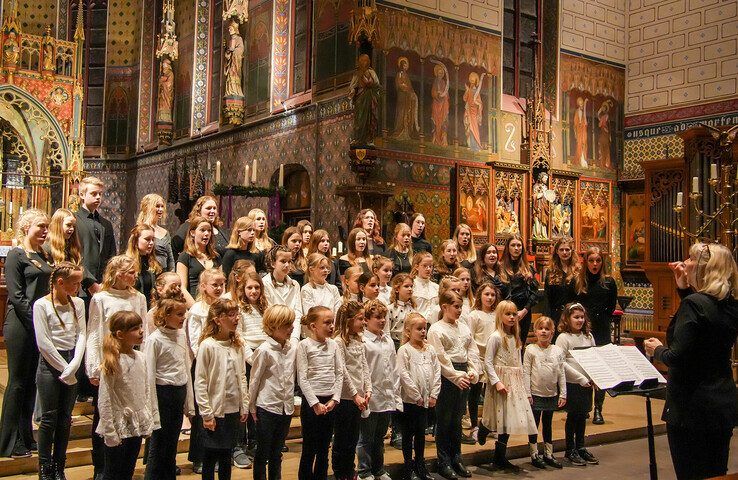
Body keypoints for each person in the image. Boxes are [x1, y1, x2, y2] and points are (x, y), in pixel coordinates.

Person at [644, 243, 738, 480]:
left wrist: (657, 350)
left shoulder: (694, 304)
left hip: (691, 407)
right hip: (720, 404)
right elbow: (705, 327)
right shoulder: (730, 304)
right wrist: (684, 289)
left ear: (706, 268)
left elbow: (677, 357)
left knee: (691, 474)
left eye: (691, 258)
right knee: (716, 473)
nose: (685, 262)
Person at [85, 255, 148, 477]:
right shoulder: (101, 298)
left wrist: (143, 360)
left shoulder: (138, 297)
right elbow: (94, 332)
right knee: (103, 414)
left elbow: (144, 331)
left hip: (132, 360)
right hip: (109, 360)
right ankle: (101, 467)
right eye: (131, 272)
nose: (135, 276)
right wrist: (93, 365)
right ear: (118, 274)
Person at [0, 209, 53, 458]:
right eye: (40, 226)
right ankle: (9, 441)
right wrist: (36, 322)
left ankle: (25, 434)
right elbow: (17, 297)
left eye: (46, 227)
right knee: (18, 383)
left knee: (31, 383)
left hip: (39, 324)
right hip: (21, 324)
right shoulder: (16, 255)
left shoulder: (44, 255)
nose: (44, 231)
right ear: (26, 227)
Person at [33, 262, 87, 479]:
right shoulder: (41, 305)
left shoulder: (78, 304)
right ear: (60, 282)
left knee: (65, 418)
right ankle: (45, 466)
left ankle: (59, 465)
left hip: (71, 360)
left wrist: (74, 365)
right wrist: (64, 368)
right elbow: (43, 342)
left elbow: (82, 334)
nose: (79, 288)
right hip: (50, 364)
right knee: (49, 418)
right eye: (75, 283)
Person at [96, 311, 160, 480]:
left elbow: (146, 390)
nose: (141, 331)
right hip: (118, 426)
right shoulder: (112, 361)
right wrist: (110, 431)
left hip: (136, 425)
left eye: (140, 326)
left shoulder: (141, 357)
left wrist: (148, 419)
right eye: (134, 328)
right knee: (112, 472)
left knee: (128, 470)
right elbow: (104, 399)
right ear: (120, 334)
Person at [476, 300, 538, 471]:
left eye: (514, 314)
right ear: (500, 316)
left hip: (514, 381)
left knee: (509, 419)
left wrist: (524, 387)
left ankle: (499, 457)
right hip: (500, 380)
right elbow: (488, 363)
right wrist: (497, 382)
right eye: (508, 314)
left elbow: (518, 362)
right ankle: (485, 426)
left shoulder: (516, 337)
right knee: (497, 415)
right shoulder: (495, 337)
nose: (512, 317)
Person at [194, 299, 250, 480]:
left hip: (233, 409)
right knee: (210, 456)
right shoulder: (208, 345)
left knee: (227, 455)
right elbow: (201, 381)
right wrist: (207, 413)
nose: (236, 319)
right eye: (231, 315)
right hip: (215, 411)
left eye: (237, 314)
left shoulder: (237, 345)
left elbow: (242, 376)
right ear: (218, 320)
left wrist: (244, 405)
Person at [427, 291, 480, 479]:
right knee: (444, 420)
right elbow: (440, 358)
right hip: (447, 376)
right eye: (456, 307)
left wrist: (473, 370)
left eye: (461, 306)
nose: (459, 310)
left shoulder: (464, 327)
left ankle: (457, 458)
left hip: (463, 372)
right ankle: (444, 461)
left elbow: (471, 351)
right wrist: (455, 376)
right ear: (444, 307)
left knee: (457, 419)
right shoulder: (436, 329)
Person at [144, 297, 194, 480]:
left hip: (178, 393)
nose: (184, 317)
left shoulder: (180, 335)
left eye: (184, 313)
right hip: (162, 394)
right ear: (165, 315)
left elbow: (185, 369)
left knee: (171, 446)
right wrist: (153, 410)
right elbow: (149, 376)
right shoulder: (154, 340)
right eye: (179, 314)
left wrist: (190, 403)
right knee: (158, 447)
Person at [248, 305, 297, 480]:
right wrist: (251, 407)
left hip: (285, 407)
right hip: (267, 407)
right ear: (273, 326)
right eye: (286, 325)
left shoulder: (292, 348)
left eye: (291, 324)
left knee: (277, 452)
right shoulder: (264, 350)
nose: (291, 328)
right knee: (263, 452)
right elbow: (254, 380)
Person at [185, 268, 226, 474]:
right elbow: (194, 342)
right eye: (214, 285)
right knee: (203, 411)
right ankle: (199, 456)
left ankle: (219, 453)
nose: (219, 288)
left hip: (222, 365)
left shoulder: (225, 308)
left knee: (219, 408)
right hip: (203, 365)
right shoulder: (197, 311)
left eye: (221, 284)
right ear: (203, 287)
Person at [297, 306, 343, 480]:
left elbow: (340, 373)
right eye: (327, 323)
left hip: (330, 402)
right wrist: (315, 403)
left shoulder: (334, 345)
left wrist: (335, 399)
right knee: (309, 448)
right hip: (312, 403)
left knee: (324, 449)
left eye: (332, 322)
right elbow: (302, 377)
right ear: (313, 326)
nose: (331, 326)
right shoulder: (304, 345)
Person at [358, 300, 401, 480]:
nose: (382, 320)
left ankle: (378, 468)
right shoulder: (363, 341)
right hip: (370, 395)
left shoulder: (388, 340)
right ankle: (364, 471)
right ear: (366, 320)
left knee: (380, 436)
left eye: (383, 317)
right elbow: (361, 369)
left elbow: (393, 367)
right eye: (377, 317)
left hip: (386, 395)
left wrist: (395, 392)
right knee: (366, 437)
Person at [575, 246, 617, 425]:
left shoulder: (608, 282)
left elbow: (611, 306)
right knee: (584, 369)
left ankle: (598, 409)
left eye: (598, 261)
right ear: (586, 262)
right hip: (584, 329)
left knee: (601, 370)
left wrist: (601, 320)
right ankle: (584, 406)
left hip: (601, 330)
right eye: (591, 261)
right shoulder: (579, 281)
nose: (594, 264)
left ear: (602, 262)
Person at [397, 313, 440, 480]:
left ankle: (420, 465)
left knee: (421, 433)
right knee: (408, 434)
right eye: (419, 329)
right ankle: (409, 467)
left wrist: (434, 394)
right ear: (408, 331)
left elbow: (437, 372)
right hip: (410, 401)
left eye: (425, 328)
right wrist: (416, 396)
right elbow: (403, 375)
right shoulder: (404, 350)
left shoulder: (430, 350)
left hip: (426, 400)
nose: (423, 332)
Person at [555, 302, 598, 466]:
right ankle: (569, 449)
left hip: (587, 383)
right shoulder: (563, 338)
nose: (579, 320)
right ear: (567, 319)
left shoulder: (588, 336)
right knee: (573, 416)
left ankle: (581, 447)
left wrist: (593, 377)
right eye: (576, 317)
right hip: (573, 383)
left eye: (582, 317)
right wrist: (580, 378)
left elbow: (594, 357)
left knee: (582, 416)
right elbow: (561, 362)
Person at [332, 301, 371, 480]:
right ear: (348, 320)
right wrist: (355, 394)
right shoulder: (338, 342)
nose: (364, 322)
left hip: (359, 397)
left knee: (353, 439)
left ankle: (350, 470)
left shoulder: (359, 340)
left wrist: (368, 389)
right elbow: (342, 371)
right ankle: (341, 473)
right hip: (346, 397)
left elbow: (364, 366)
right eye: (360, 319)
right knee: (342, 439)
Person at [524, 316, 566, 469]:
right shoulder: (530, 349)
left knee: (548, 424)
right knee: (534, 424)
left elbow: (561, 373)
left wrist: (563, 394)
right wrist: (527, 393)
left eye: (547, 329)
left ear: (552, 332)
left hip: (551, 394)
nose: (543, 331)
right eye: (540, 328)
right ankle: (534, 454)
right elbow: (526, 372)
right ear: (535, 331)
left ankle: (548, 453)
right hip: (535, 394)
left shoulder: (557, 351)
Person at [465, 282, 499, 442]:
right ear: (480, 296)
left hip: (493, 358)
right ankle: (474, 425)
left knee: (491, 395)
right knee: (474, 392)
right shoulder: (474, 315)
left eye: (492, 295)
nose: (490, 298)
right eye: (487, 294)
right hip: (478, 357)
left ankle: (489, 424)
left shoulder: (497, 314)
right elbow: (469, 337)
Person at [75, 176, 117, 301]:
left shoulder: (106, 224)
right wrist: (89, 282)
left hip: (104, 286)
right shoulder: (74, 220)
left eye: (100, 194)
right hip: (81, 285)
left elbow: (111, 255)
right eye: (94, 193)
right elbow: (74, 255)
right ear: (82, 195)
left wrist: (107, 280)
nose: (98, 197)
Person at [499, 234, 539, 344]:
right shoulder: (500, 267)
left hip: (523, 312)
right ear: (508, 247)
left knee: (520, 345)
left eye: (519, 245)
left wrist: (524, 311)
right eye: (513, 245)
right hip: (505, 312)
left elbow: (535, 293)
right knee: (505, 344)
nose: (516, 248)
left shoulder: (528, 268)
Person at [176, 216, 222, 305]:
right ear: (193, 233)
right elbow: (182, 288)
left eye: (209, 230)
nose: (206, 233)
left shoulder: (216, 256)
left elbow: (222, 283)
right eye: (202, 230)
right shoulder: (185, 256)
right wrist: (195, 308)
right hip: (194, 304)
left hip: (214, 307)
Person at [262, 246, 302, 342]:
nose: (287, 265)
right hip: (273, 335)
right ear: (272, 263)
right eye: (283, 261)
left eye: (289, 261)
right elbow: (270, 313)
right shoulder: (264, 284)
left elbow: (298, 313)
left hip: (292, 334)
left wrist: (295, 338)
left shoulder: (295, 284)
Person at [544, 237, 579, 331]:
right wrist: (547, 318)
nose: (564, 252)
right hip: (555, 315)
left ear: (572, 251)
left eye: (567, 249)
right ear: (556, 251)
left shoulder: (578, 271)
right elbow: (547, 297)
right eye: (561, 250)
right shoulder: (551, 271)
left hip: (572, 314)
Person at [126, 224, 163, 308]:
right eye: (147, 239)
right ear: (135, 241)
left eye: (153, 239)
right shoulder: (127, 264)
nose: (151, 243)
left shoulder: (155, 264)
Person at [137, 194, 175, 272]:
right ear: (147, 207)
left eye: (162, 206)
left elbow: (170, 258)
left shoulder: (165, 232)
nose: (161, 209)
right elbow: (134, 253)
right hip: (147, 272)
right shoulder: (140, 229)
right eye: (157, 206)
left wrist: (172, 274)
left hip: (164, 274)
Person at [307, 229, 342, 293]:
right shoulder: (309, 260)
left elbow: (338, 284)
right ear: (315, 243)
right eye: (322, 241)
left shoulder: (333, 261)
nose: (326, 244)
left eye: (328, 241)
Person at [386, 274, 416, 345]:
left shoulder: (412, 308)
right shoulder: (390, 309)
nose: (410, 289)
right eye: (406, 286)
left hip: (410, 343)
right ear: (397, 289)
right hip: (395, 343)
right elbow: (387, 331)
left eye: (411, 286)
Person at [410, 252, 438, 323]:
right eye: (424, 266)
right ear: (417, 267)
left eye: (430, 266)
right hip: (417, 324)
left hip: (433, 325)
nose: (428, 269)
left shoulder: (436, 287)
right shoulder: (412, 286)